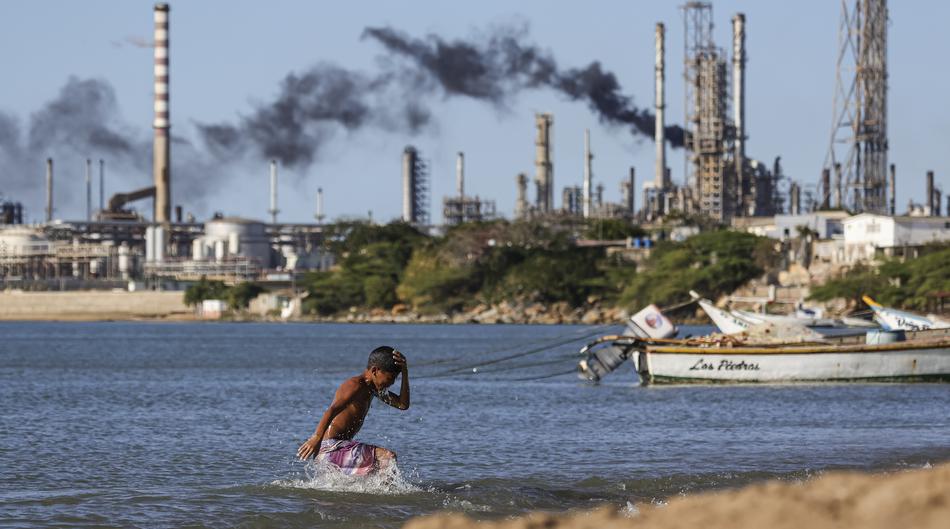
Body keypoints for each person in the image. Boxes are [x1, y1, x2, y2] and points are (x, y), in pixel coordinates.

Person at [296, 346, 410, 475]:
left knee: (377, 471)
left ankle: (384, 492)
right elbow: (332, 410)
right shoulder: (355, 385)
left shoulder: (373, 388)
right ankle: (390, 494)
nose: (392, 383)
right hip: (330, 448)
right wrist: (316, 438)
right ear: (375, 370)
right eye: (390, 378)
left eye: (395, 379)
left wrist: (405, 371)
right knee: (388, 457)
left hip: (342, 447)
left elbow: (402, 404)